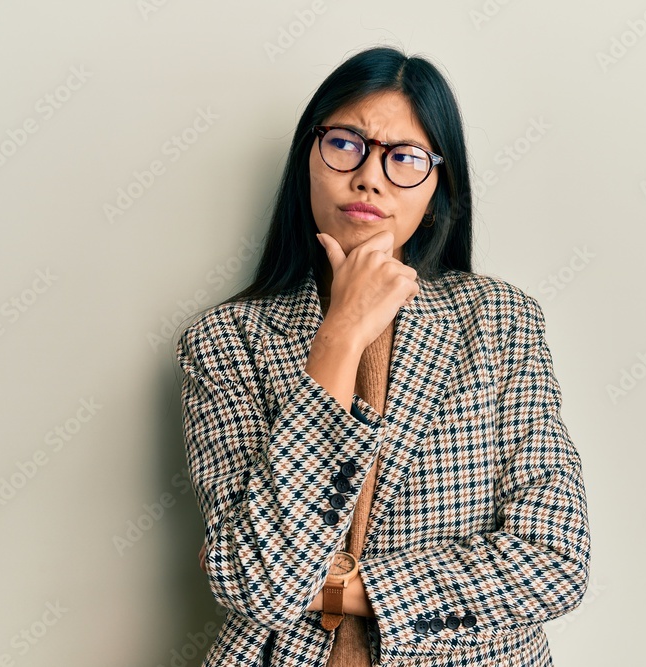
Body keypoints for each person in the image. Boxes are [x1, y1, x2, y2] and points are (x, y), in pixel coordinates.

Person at [176, 45, 591, 667]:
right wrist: (339, 337)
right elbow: (254, 581)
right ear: (306, 160)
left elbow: (555, 558)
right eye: (345, 143)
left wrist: (352, 591)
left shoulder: (500, 321)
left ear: (437, 190)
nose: (369, 176)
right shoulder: (225, 339)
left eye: (404, 158)